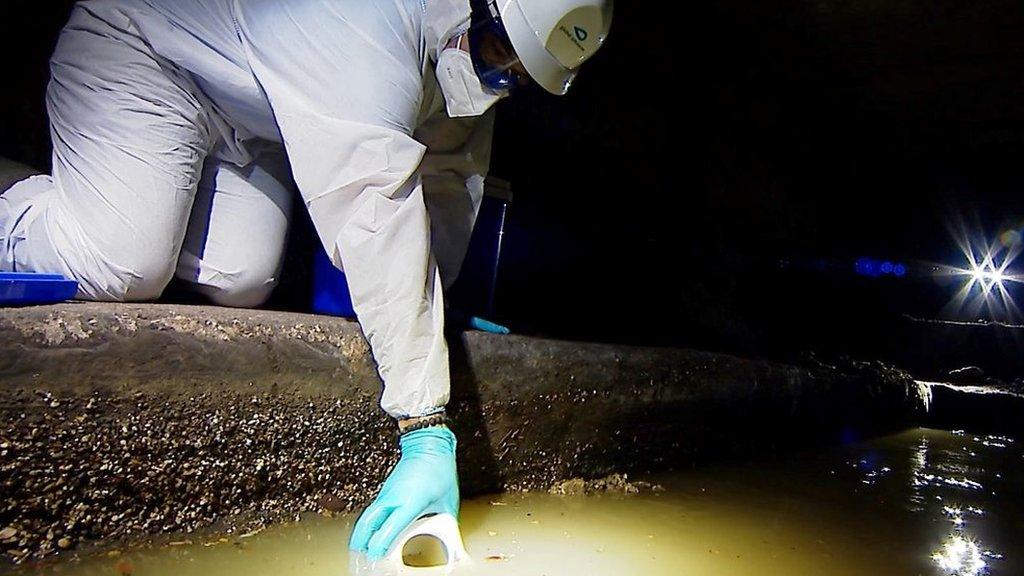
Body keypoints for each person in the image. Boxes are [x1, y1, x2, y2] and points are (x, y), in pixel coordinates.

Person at [0, 0, 612, 559]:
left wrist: (436, 305)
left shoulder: (470, 55)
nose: (501, 78)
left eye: (520, 77)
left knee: (244, 279)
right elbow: (375, 206)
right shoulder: (364, 20)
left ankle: (128, 195)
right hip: (143, 54)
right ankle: (20, 204)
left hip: (243, 114)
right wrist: (425, 427)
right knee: (123, 265)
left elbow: (447, 182)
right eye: (501, 54)